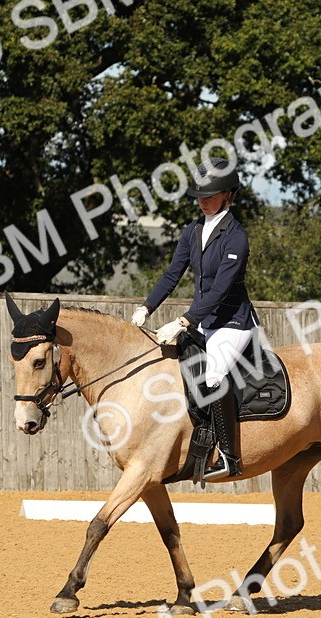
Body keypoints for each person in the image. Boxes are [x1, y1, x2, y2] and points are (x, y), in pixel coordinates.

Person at [130, 157, 258, 479]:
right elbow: (172, 274)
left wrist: (183, 321)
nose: (203, 201)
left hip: (232, 322)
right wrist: (147, 307)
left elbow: (219, 291)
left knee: (213, 375)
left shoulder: (236, 237)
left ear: (228, 195)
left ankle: (229, 458)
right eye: (199, 196)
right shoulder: (193, 230)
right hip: (203, 322)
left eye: (210, 195)